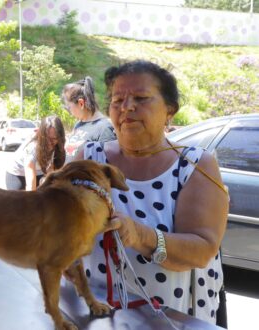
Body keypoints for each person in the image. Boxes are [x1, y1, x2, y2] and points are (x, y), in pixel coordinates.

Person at [71, 60, 228, 325]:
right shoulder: (89, 158)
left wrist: (139, 235)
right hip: (95, 314)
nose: (127, 107)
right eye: (117, 99)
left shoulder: (194, 165)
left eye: (141, 98)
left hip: (167, 318)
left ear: (170, 111)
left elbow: (202, 250)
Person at [5, 115, 66, 191]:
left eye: (54, 139)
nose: (49, 143)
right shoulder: (32, 147)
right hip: (17, 174)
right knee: (22, 200)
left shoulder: (59, 147)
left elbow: (52, 174)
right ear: (41, 135)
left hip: (39, 172)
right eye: (47, 138)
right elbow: (30, 187)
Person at [62, 76, 116, 160]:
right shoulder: (79, 124)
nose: (69, 113)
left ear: (81, 103)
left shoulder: (104, 128)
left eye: (68, 108)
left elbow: (107, 166)